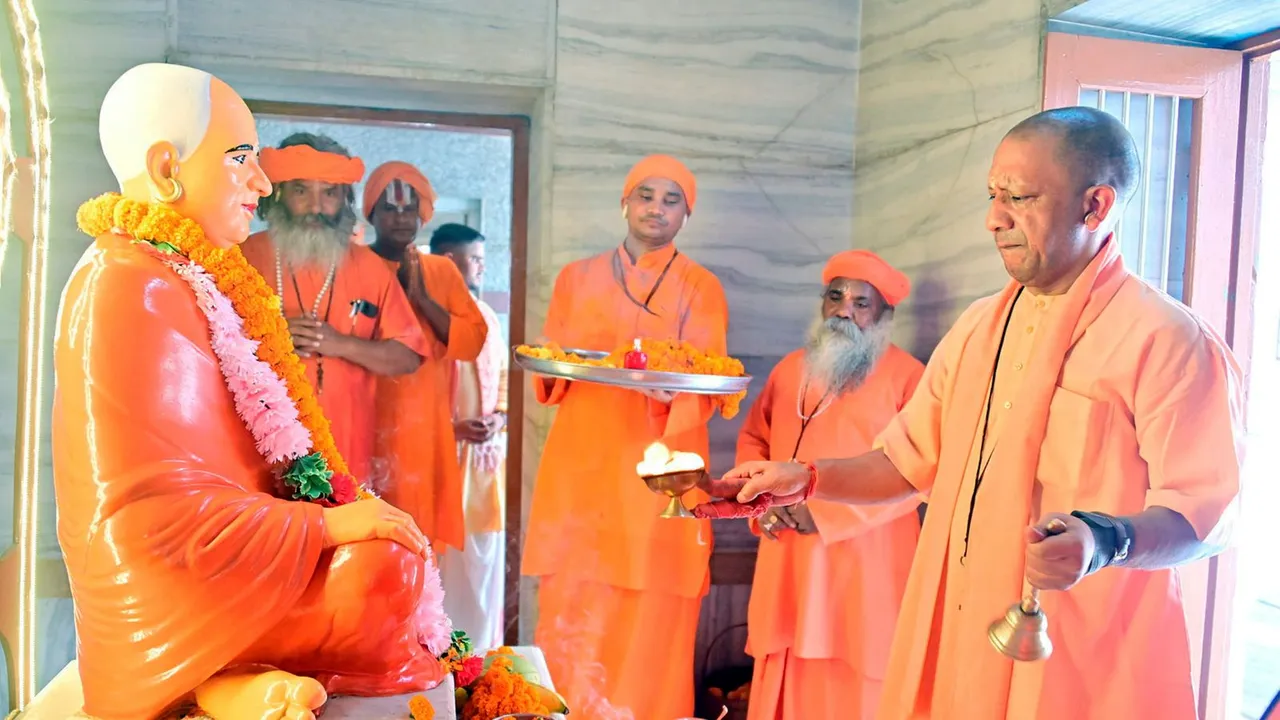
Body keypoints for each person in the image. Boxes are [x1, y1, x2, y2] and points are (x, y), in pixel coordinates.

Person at [702, 107, 1246, 719]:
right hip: (963, 631)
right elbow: (904, 463)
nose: (994, 219)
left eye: (1019, 197)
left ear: (1095, 206)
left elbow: (1206, 513)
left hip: (1077, 653)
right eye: (993, 196)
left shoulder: (1163, 336)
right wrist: (807, 479)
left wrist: (1105, 540)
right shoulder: (979, 327)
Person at [55, 63, 447, 720]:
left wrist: (324, 515)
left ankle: (229, 680)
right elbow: (149, 517)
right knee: (383, 575)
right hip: (180, 575)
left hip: (277, 507)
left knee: (388, 562)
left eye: (329, 193)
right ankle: (214, 671)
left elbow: (412, 352)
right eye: (244, 162)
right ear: (165, 167)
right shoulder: (138, 281)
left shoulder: (199, 267)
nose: (263, 186)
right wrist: (319, 527)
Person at [523, 155, 729, 719]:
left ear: (687, 215)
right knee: (572, 611)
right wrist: (551, 365)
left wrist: (675, 396)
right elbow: (553, 368)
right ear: (625, 203)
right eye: (646, 195)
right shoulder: (575, 278)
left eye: (671, 200)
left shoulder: (701, 287)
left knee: (650, 622)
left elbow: (707, 380)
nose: (656, 209)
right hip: (581, 472)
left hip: (655, 477)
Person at [732, 250, 924, 720]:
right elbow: (754, 438)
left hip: (866, 564)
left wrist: (825, 513)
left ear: (884, 315)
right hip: (787, 558)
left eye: (862, 302)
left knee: (858, 676)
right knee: (787, 656)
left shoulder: (910, 377)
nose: (845, 309)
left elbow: (920, 473)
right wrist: (761, 503)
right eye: (836, 296)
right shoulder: (789, 369)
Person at [240, 134, 427, 484]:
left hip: (344, 453)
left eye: (328, 193)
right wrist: (269, 339)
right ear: (278, 193)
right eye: (301, 191)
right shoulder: (241, 256)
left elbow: (409, 356)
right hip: (252, 448)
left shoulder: (370, 267)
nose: (315, 207)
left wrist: (340, 344)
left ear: (345, 199)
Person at [365, 161, 489, 554]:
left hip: (423, 426)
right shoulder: (354, 264)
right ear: (371, 213)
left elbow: (471, 342)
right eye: (389, 208)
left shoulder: (441, 271)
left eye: (408, 208)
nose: (400, 217)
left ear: (422, 213)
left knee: (418, 544)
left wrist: (422, 299)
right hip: (366, 415)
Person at [428, 222, 510, 648]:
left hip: (483, 463)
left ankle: (480, 659)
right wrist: (451, 428)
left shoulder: (487, 316)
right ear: (446, 262)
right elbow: (408, 394)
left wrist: (499, 417)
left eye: (480, 258)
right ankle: (441, 663)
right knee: (441, 569)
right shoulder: (422, 316)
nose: (480, 267)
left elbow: (501, 378)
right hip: (436, 459)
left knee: (482, 564)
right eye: (472, 259)